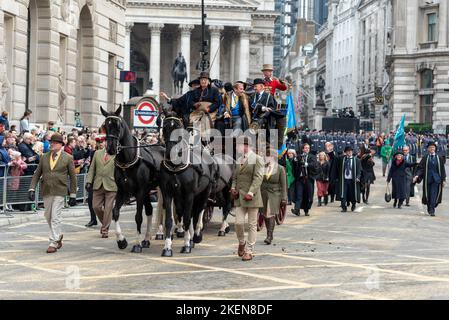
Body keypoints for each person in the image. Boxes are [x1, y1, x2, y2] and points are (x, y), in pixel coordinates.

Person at [28, 133, 77, 253]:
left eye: (54, 143)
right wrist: (31, 188)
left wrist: (73, 194)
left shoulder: (68, 157)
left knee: (55, 216)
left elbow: (73, 177)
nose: (51, 144)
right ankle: (58, 235)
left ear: (60, 145)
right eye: (51, 142)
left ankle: (53, 242)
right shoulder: (44, 156)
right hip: (47, 190)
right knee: (48, 216)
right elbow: (37, 174)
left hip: (60, 190)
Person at [230, 136, 264, 261]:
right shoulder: (239, 160)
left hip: (252, 197)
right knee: (238, 223)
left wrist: (251, 192)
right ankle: (242, 242)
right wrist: (233, 188)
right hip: (239, 197)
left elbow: (258, 177)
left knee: (251, 225)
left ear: (246, 146)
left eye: (238, 145)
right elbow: (235, 178)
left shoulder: (257, 159)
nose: (236, 147)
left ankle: (249, 251)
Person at [85, 134, 117, 238]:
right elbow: (92, 169)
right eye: (99, 142)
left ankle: (104, 230)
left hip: (111, 185)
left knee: (108, 208)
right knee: (96, 207)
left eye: (103, 142)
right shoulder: (97, 153)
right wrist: (88, 181)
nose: (101, 144)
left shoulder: (116, 153)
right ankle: (106, 222)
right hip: (98, 184)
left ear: (108, 142)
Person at [260, 146, 287, 245]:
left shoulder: (280, 169)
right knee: (265, 214)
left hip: (275, 194)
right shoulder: (263, 167)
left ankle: (269, 235)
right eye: (266, 156)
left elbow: (284, 185)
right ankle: (269, 233)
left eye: (268, 156)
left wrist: (284, 198)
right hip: (263, 193)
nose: (266, 158)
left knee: (270, 213)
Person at [414, 141, 446, 216]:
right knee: (428, 194)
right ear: (428, 149)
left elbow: (442, 169)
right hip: (427, 179)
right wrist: (417, 175)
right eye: (430, 147)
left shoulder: (439, 158)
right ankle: (430, 207)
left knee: (434, 194)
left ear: (435, 148)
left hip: (436, 179)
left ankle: (432, 209)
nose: (432, 149)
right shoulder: (425, 157)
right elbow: (420, 168)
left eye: (433, 147)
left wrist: (444, 179)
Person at [291, 143, 319, 216]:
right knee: (299, 195)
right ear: (303, 149)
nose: (307, 149)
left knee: (308, 195)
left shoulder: (312, 156)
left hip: (308, 179)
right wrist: (294, 160)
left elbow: (315, 165)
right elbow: (294, 165)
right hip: (300, 179)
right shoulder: (299, 156)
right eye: (306, 148)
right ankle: (296, 209)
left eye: (308, 148)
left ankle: (306, 210)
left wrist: (307, 164)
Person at [336, 146, 361, 212]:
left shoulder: (357, 160)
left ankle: (353, 205)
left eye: (351, 151)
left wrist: (358, 177)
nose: (349, 152)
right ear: (345, 152)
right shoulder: (342, 159)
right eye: (348, 151)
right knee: (343, 193)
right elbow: (334, 159)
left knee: (352, 193)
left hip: (353, 180)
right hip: (344, 180)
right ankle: (344, 207)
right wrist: (330, 151)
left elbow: (359, 170)